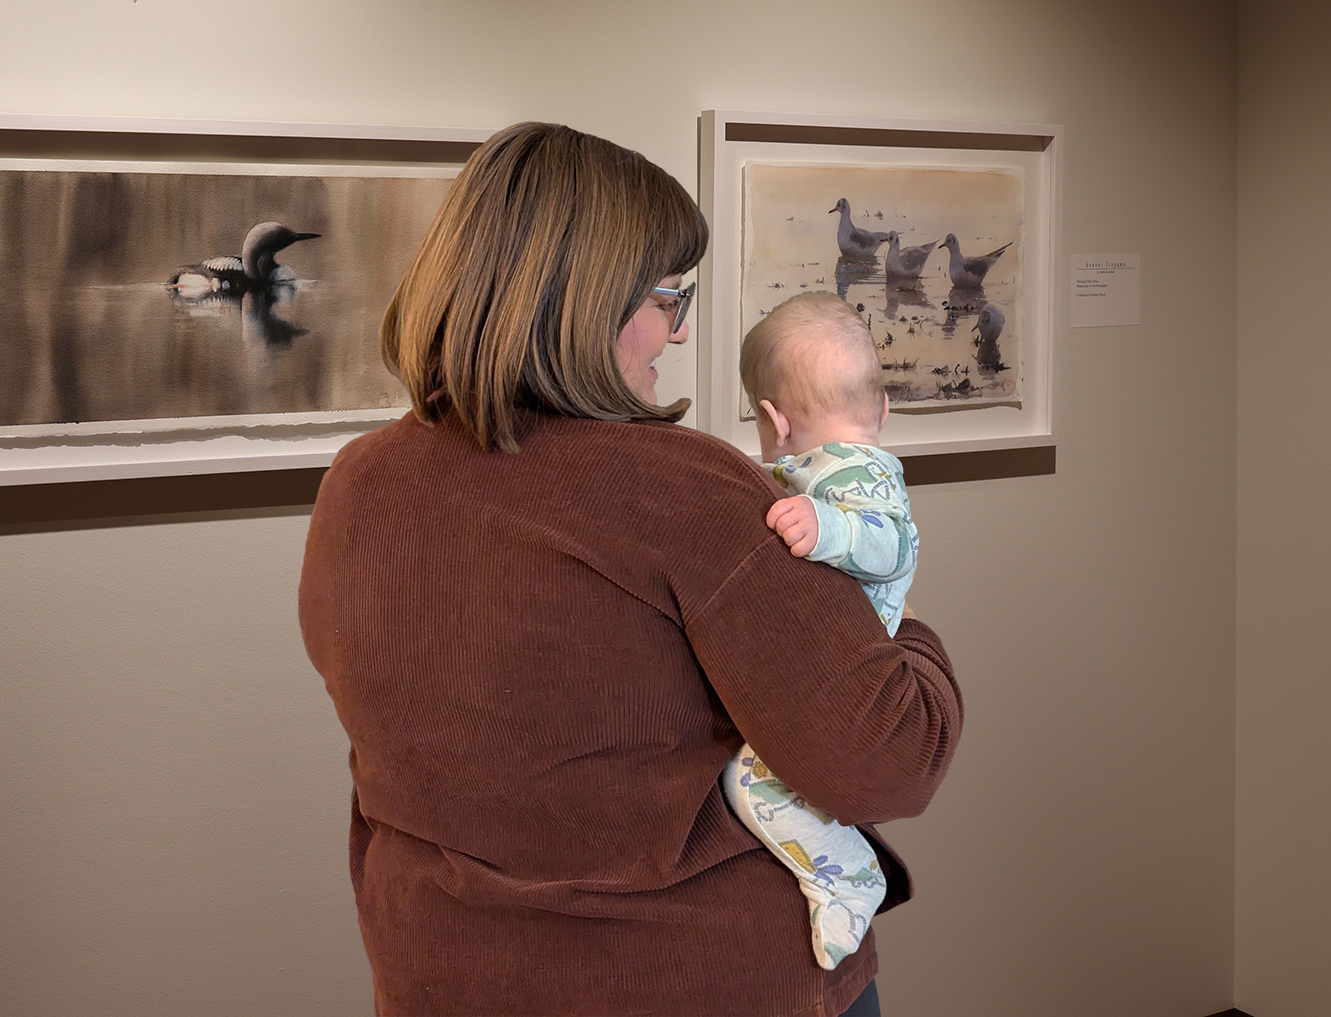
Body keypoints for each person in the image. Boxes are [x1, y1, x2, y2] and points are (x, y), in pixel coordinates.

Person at [299, 123, 962, 1017]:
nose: (676, 333)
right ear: (582, 297)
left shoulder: (359, 484)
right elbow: (892, 755)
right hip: (705, 985)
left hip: (441, 979)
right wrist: (896, 607)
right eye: (663, 298)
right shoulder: (685, 488)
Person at [724, 293, 919, 972]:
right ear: (885, 406)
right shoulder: (818, 470)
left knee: (754, 783)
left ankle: (845, 875)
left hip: (843, 673)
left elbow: (889, 543)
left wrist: (825, 527)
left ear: (774, 420)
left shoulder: (858, 473)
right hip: (823, 663)